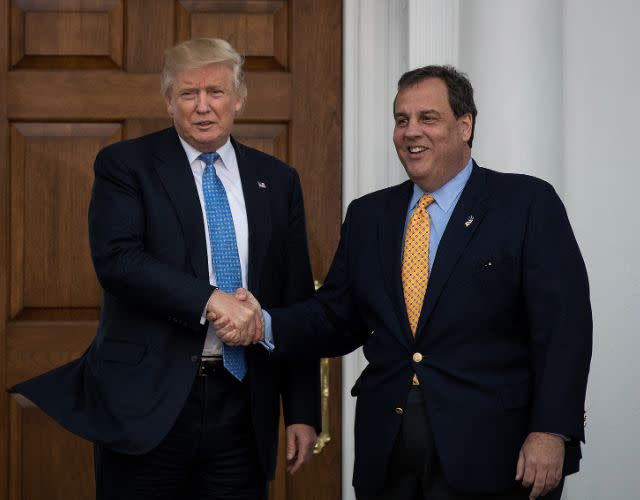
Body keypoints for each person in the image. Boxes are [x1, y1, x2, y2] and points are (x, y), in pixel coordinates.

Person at [213, 65, 592, 500]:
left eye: (427, 118)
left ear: (465, 125)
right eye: (401, 120)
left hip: (494, 450)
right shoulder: (368, 216)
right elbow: (337, 316)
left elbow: (565, 329)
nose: (411, 132)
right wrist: (263, 323)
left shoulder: (526, 204)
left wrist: (551, 430)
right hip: (388, 448)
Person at [11, 38, 319, 500]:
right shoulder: (126, 166)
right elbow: (119, 261)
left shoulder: (276, 181)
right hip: (146, 405)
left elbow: (295, 297)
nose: (202, 107)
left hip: (242, 407)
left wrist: (301, 409)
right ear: (168, 101)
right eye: (187, 94)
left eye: (215, 92)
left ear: (239, 98)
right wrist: (210, 300)